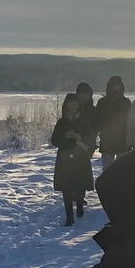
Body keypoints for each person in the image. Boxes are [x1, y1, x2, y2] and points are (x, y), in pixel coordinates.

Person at [50, 92, 96, 226]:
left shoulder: (84, 122)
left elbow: (91, 139)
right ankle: (69, 216)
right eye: (70, 105)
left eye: (75, 105)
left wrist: (80, 139)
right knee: (66, 187)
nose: (72, 107)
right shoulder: (61, 122)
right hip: (65, 159)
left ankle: (80, 204)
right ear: (66, 106)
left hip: (80, 157)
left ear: (79, 106)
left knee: (80, 184)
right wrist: (65, 136)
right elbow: (54, 140)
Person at [95, 75, 132, 171]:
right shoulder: (102, 102)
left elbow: (131, 121)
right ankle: (108, 186)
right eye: (113, 86)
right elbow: (97, 121)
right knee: (107, 170)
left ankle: (122, 186)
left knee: (123, 169)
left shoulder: (126, 102)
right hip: (107, 142)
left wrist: (131, 139)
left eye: (117, 86)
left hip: (123, 141)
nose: (115, 88)